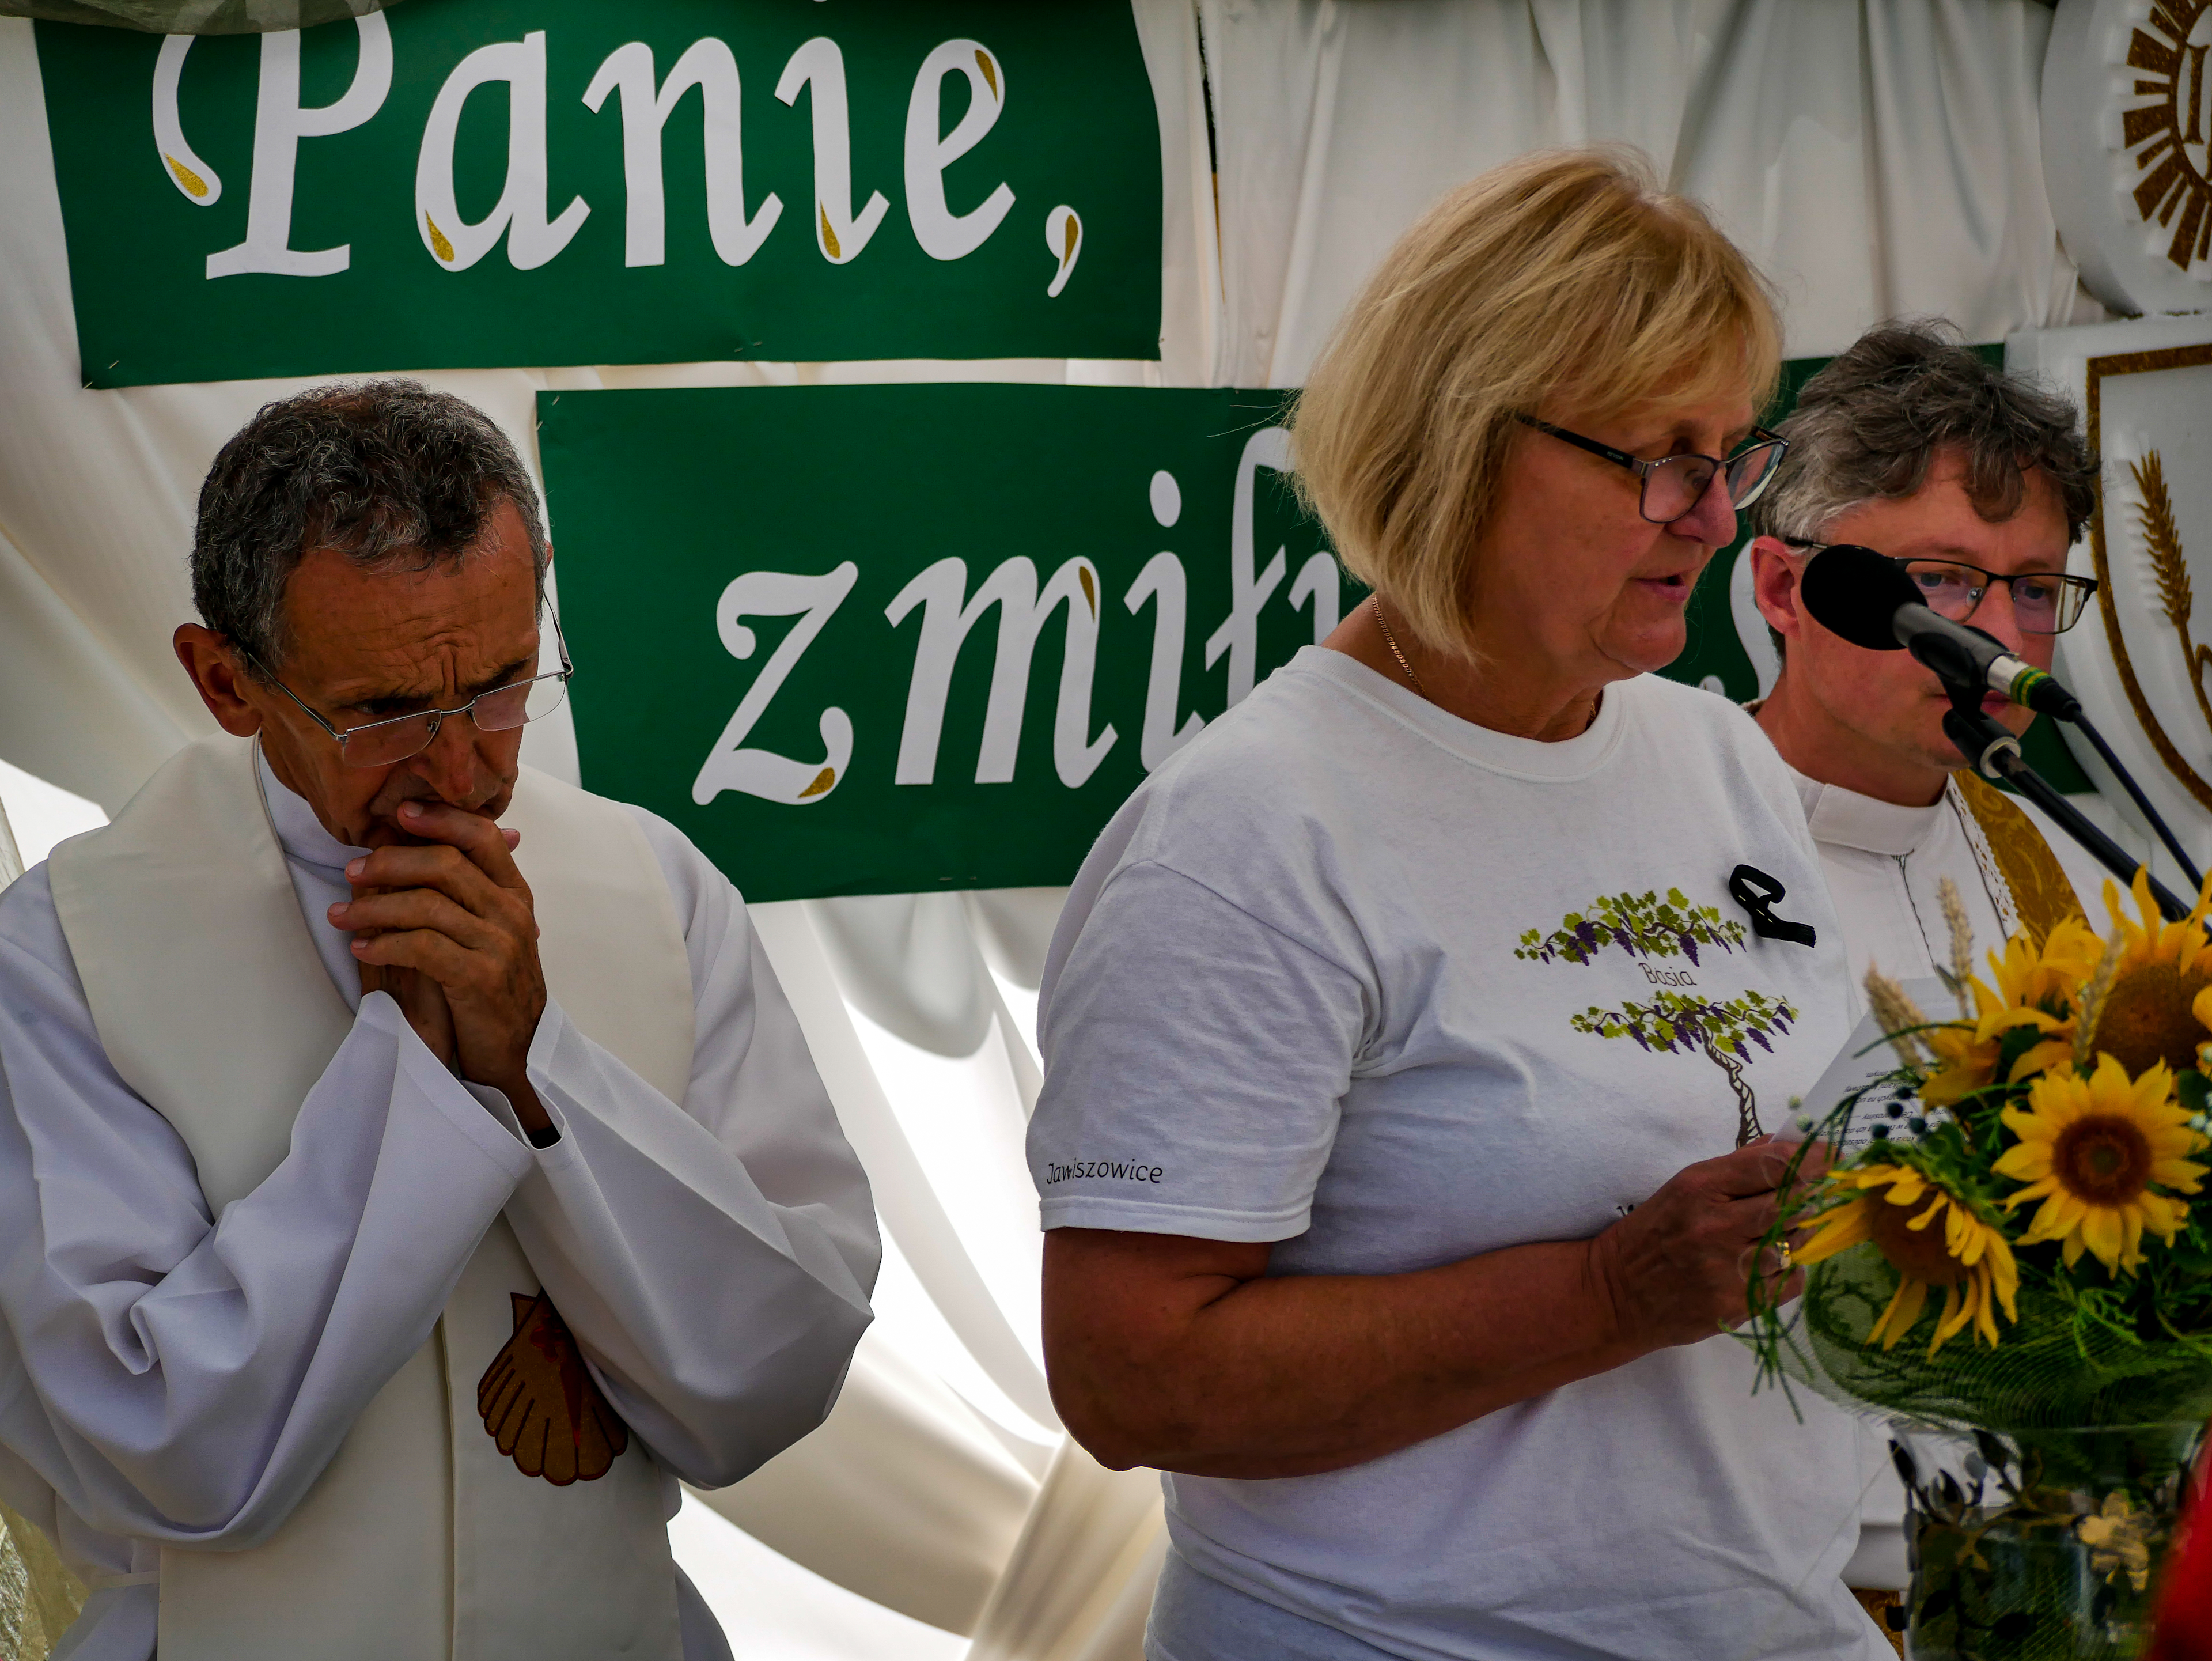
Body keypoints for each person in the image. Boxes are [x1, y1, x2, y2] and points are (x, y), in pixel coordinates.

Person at [1027, 149, 1887, 1660]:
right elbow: (1131, 1385)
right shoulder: (1254, 834)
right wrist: (1608, 1294)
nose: (1711, 517)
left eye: (1734, 456)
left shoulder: (1709, 756)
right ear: (1466, 444)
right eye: (1660, 457)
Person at [0, 382, 878, 1661]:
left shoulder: (655, 887)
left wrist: (537, 1068)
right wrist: (408, 1074)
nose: (468, 770)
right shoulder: (65, 952)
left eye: (508, 681)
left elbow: (777, 1374)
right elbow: (157, 1445)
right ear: (226, 681)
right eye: (385, 713)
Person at [1744, 321, 2113, 1610]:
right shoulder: (1657, 834)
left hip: (2026, 1587)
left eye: (2033, 587)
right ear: (1787, 590)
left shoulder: (2070, 873)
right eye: (1945, 582)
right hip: (1746, 1598)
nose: (2000, 640)